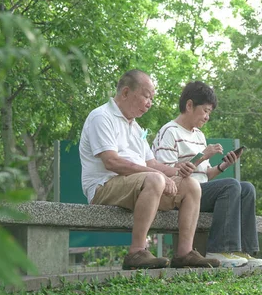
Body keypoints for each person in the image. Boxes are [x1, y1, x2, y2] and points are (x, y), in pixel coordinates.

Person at [79, 70, 219, 270]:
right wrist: (159, 176)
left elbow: (152, 164)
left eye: (151, 98)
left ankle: (184, 254)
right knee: (155, 180)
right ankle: (136, 252)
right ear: (126, 92)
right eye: (146, 96)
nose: (149, 103)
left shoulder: (135, 127)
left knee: (191, 186)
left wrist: (178, 171)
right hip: (104, 186)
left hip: (139, 185)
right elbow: (112, 162)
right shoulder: (101, 117)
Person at [152, 81, 262, 268]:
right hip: (180, 195)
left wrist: (222, 166)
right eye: (205, 111)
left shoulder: (199, 135)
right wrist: (203, 155)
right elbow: (166, 173)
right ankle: (220, 249)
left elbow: (205, 175)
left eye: (209, 113)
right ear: (189, 105)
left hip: (200, 191)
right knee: (230, 186)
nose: (207, 117)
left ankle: (243, 250)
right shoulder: (169, 132)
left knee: (246, 188)